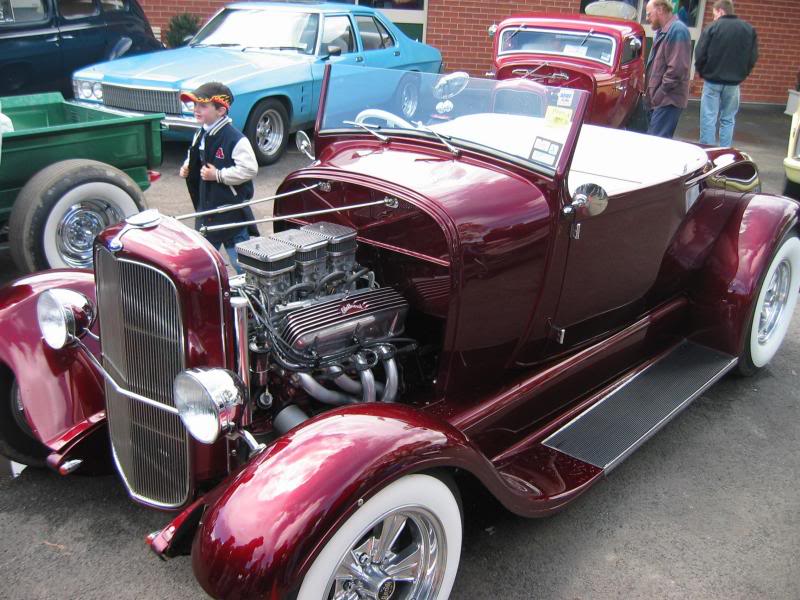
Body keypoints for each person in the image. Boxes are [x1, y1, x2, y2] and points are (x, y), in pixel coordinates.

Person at [179, 82, 258, 272]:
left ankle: (250, 287)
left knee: (241, 263)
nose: (196, 109)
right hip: (207, 211)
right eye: (195, 105)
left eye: (203, 106)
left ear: (221, 110)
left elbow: (249, 169)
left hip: (230, 211)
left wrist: (218, 175)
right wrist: (187, 167)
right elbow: (193, 155)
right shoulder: (201, 133)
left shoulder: (235, 138)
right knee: (203, 262)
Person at [695, 0, 758, 147]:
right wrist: (743, 74)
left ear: (721, 11)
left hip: (712, 80)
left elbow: (700, 52)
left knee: (708, 117)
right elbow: (753, 56)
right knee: (728, 119)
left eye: (714, 14)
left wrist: (702, 72)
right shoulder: (747, 29)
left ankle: (708, 150)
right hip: (733, 82)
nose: (714, 17)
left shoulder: (712, 28)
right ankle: (725, 150)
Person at [644, 0, 692, 138]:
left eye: (649, 14)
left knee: (656, 143)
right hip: (661, 101)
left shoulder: (677, 30)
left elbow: (677, 70)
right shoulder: (663, 31)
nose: (647, 18)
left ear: (660, 9)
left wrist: (659, 95)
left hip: (668, 100)